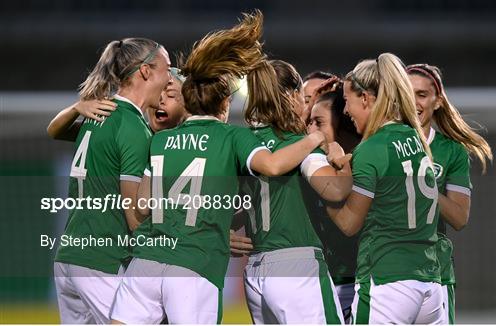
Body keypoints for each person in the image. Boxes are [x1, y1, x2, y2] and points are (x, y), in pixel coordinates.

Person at [109, 11, 329, 324]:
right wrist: (316, 136)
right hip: (194, 266)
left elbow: (142, 206)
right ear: (225, 103)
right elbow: (273, 165)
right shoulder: (233, 137)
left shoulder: (160, 141)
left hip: (145, 264)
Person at [53, 38, 171, 324]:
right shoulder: (131, 127)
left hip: (70, 258)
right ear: (145, 71)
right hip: (101, 259)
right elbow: (133, 217)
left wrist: (75, 108)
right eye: (167, 69)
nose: (170, 80)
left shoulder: (100, 115)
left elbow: (55, 131)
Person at [326, 53, 444, 324]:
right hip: (429, 283)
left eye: (347, 101)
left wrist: (322, 189)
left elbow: (348, 224)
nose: (345, 111)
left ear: (365, 98)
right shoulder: (415, 137)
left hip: (388, 281)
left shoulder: (372, 148)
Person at [239, 59, 351, 324]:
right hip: (296, 264)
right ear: (291, 96)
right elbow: (335, 191)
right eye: (302, 96)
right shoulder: (300, 148)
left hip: (255, 269)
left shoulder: (245, 145)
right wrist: (341, 162)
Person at [407, 63, 492, 324]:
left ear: (438, 101)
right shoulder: (379, 142)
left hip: (434, 270)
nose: (414, 102)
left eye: (422, 94)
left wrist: (421, 184)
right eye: (407, 94)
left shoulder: (451, 151)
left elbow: (459, 217)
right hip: (385, 267)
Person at [306, 82, 362, 323]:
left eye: (318, 123)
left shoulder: (365, 168)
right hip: (319, 286)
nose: (309, 130)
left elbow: (348, 225)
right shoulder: (310, 166)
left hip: (355, 285)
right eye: (309, 121)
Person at [46, 67, 186, 137]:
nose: (160, 99)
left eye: (171, 95)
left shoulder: (192, 142)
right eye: (156, 93)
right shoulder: (127, 130)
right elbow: (56, 131)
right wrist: (76, 108)